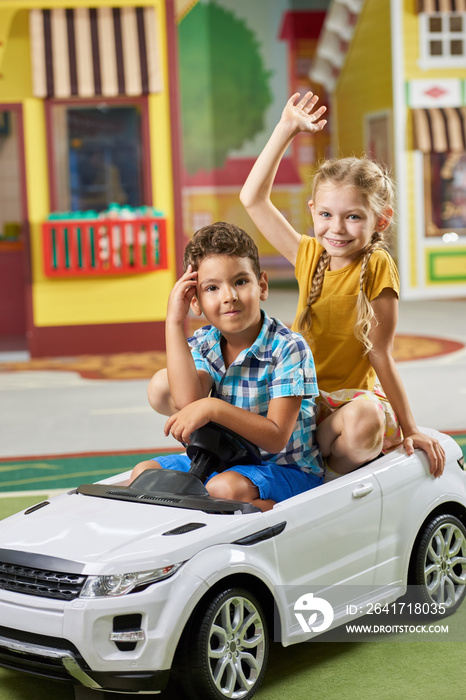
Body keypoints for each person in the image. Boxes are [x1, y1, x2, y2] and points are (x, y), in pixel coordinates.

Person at [240, 91, 445, 479]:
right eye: (326, 214)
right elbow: (253, 199)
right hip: (300, 402)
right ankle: (294, 462)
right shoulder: (310, 254)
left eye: (353, 216)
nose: (336, 228)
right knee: (181, 389)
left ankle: (328, 479)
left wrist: (412, 428)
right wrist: (286, 128)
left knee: (364, 420)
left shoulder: (377, 264)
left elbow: (380, 353)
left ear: (380, 221)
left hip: (350, 406)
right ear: (313, 211)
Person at [130, 222, 323, 511]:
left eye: (241, 281)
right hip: (224, 461)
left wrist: (214, 408)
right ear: (196, 302)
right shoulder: (204, 344)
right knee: (143, 474)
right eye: (212, 288)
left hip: (287, 469)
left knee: (223, 489)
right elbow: (187, 401)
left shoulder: (288, 347)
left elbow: (276, 437)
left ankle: (276, 512)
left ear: (262, 286)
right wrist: (173, 320)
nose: (229, 295)